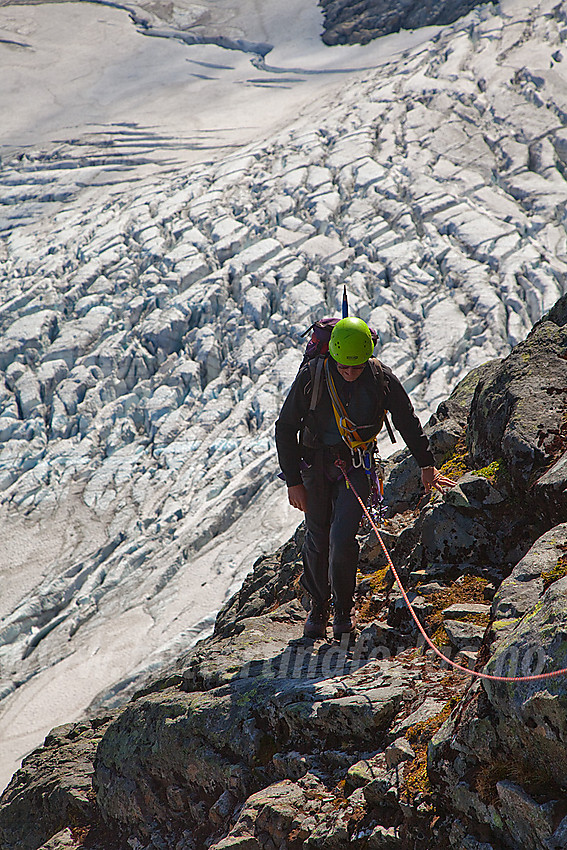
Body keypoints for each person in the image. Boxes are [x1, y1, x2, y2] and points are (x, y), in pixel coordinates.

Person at [275, 317, 454, 641]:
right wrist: (293, 482)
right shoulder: (312, 375)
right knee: (317, 538)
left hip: (356, 467)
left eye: (356, 367)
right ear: (332, 356)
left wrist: (427, 464)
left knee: (342, 538)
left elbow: (406, 422)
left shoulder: (380, 378)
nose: (349, 372)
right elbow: (285, 427)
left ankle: (342, 611)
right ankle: (319, 608)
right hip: (314, 468)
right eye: (344, 366)